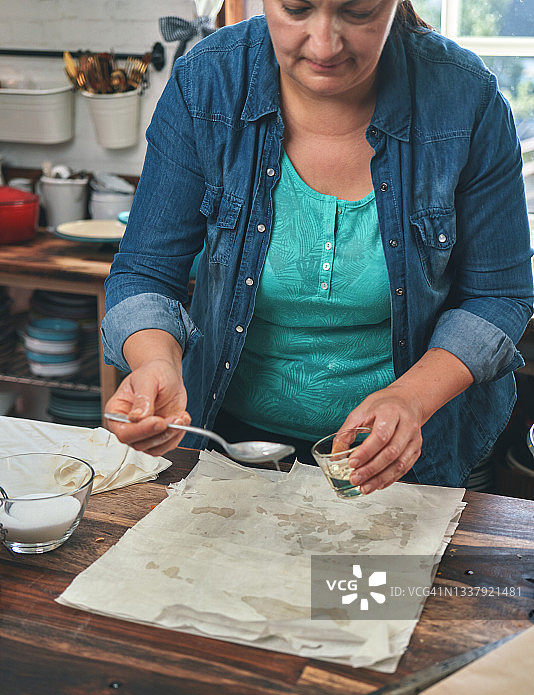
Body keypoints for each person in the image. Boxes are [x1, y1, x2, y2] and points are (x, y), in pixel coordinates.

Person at [102, 0, 534, 494]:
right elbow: (146, 272)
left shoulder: (466, 97)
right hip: (227, 439)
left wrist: (411, 398)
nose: (325, 44)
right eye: (297, 8)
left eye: (358, 11)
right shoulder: (206, 84)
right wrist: (156, 362)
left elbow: (498, 296)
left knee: (388, 552)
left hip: (411, 451)